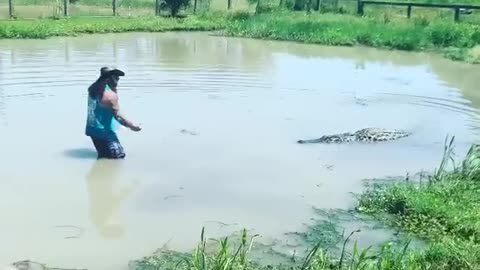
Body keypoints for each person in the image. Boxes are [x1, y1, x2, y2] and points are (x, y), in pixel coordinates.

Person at [85, 67, 141, 159]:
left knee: (103, 157)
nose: (118, 80)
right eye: (116, 77)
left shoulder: (93, 88)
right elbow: (118, 116)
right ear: (109, 78)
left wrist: (114, 88)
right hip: (105, 132)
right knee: (118, 158)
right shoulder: (109, 96)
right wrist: (133, 126)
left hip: (92, 130)